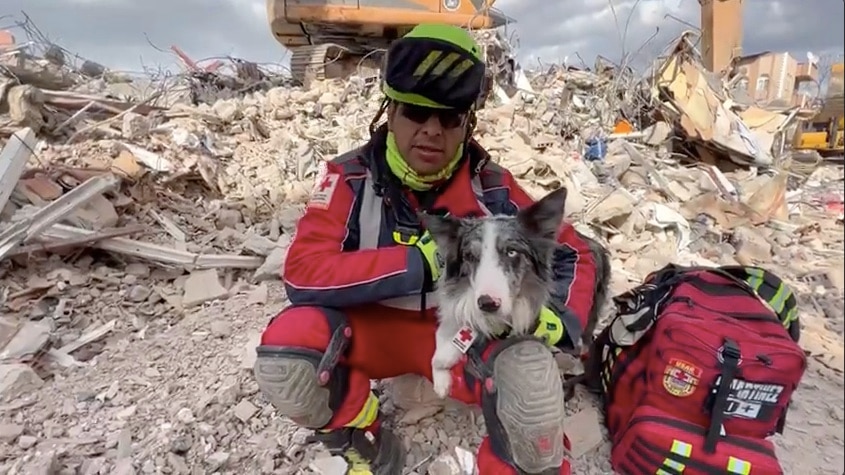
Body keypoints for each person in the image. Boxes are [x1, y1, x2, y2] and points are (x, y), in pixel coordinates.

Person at [253, 23, 601, 475]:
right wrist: (417, 262)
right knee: (288, 352)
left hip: (464, 340)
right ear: (390, 112)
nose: (432, 131)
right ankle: (365, 437)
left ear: (467, 123)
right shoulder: (348, 180)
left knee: (533, 383)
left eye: (450, 117)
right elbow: (302, 273)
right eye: (416, 113)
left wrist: (562, 314)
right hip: (372, 337)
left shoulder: (493, 189)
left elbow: (578, 254)